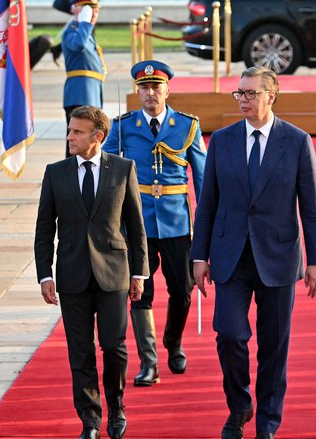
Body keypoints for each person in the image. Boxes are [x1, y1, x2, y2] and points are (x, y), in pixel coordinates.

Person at [191, 66, 316, 439]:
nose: (243, 100)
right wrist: (199, 255)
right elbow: (207, 203)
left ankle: (267, 423)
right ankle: (240, 406)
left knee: (274, 346)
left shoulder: (297, 141)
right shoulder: (220, 140)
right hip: (231, 256)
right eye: (239, 93)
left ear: (271, 96)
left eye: (251, 93)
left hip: (279, 258)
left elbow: (311, 208)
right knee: (230, 335)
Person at [35, 106, 149, 439]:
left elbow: (135, 226)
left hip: (114, 274)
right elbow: (44, 229)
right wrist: (45, 275)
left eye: (77, 132)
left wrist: (139, 273)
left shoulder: (123, 169)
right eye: (69, 130)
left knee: (114, 346)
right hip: (71, 276)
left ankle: (116, 408)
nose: (70, 137)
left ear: (98, 137)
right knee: (80, 351)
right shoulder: (56, 172)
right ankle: (89, 420)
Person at [103, 60, 206, 386]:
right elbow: (106, 172)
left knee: (183, 290)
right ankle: (149, 363)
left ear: (167, 89)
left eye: (156, 86)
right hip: (138, 224)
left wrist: (207, 224)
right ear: (137, 91)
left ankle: (173, 342)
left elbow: (202, 178)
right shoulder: (122, 127)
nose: (150, 93)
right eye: (144, 87)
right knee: (140, 292)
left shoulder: (187, 125)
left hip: (176, 222)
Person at [61, 0, 105, 158]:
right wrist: (84, 22)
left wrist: (86, 24)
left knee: (88, 143)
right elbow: (77, 45)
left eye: (95, 10)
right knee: (76, 143)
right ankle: (69, 179)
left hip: (91, 93)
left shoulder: (85, 32)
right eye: (89, 9)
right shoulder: (72, 32)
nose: (94, 14)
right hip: (79, 93)